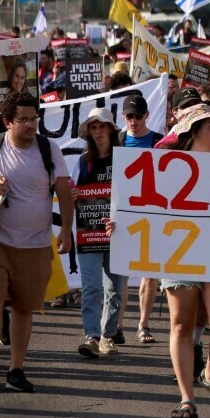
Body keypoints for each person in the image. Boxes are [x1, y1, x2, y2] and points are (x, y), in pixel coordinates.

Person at [0, 90, 74, 394]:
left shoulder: (50, 149)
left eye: (34, 119)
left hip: (35, 245)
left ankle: (16, 369)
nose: (31, 125)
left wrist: (67, 230)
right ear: (8, 122)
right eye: (23, 120)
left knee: (24, 307)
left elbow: (64, 192)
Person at [156, 104, 210, 418]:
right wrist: (121, 225)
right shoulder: (165, 164)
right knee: (180, 324)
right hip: (178, 248)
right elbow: (144, 203)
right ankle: (186, 397)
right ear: (193, 131)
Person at [72, 108, 125, 359]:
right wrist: (71, 195)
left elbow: (135, 198)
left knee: (115, 289)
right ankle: (92, 336)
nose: (98, 132)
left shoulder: (126, 158)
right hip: (89, 232)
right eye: (93, 127)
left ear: (112, 130)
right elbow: (72, 191)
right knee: (91, 287)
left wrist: (122, 220)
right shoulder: (82, 161)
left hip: (120, 233)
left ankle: (108, 335)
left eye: (102, 126)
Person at [118, 92, 162, 343]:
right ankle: (119, 325)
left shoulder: (158, 141)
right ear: (123, 117)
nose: (133, 121)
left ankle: (143, 325)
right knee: (121, 273)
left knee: (150, 273)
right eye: (129, 116)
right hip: (124, 213)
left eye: (138, 116)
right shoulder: (118, 140)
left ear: (147, 116)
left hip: (152, 213)